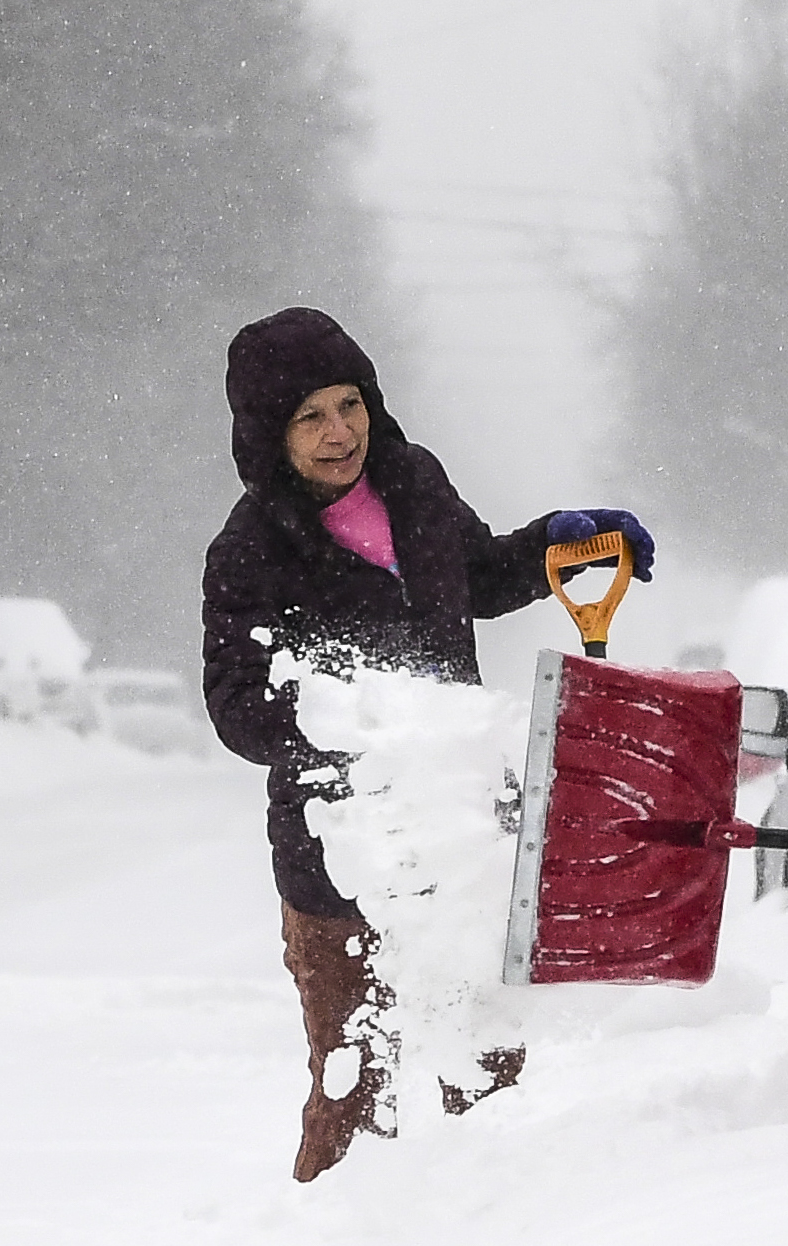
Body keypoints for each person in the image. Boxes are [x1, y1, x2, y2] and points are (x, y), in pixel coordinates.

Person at [201, 307, 654, 1183]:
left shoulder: (413, 482)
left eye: (350, 404)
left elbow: (477, 574)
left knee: (484, 1066)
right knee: (355, 1086)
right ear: (269, 434)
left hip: (457, 840)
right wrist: (341, 721)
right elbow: (232, 704)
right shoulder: (248, 551)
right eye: (311, 418)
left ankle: (485, 1238)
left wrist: (555, 542)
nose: (341, 433)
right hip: (339, 859)